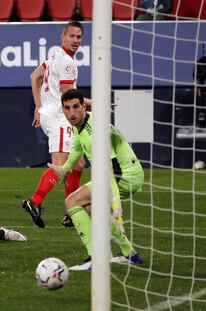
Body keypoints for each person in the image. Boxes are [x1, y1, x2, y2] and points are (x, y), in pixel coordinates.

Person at [48, 89, 144, 266]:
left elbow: (109, 174)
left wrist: (117, 208)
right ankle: (130, 254)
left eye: (76, 106)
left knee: (72, 201)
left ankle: (97, 258)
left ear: (84, 106)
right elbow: (77, 147)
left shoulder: (96, 134)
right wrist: (65, 169)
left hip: (123, 175)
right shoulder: (82, 122)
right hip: (128, 172)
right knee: (92, 208)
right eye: (67, 108)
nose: (72, 112)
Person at [22, 20, 91, 228]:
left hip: (51, 115)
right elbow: (67, 95)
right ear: (63, 36)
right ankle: (34, 202)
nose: (76, 41)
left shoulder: (54, 57)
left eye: (79, 37)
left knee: (78, 164)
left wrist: (39, 107)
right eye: (72, 36)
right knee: (61, 166)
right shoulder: (68, 63)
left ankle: (71, 213)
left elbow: (35, 76)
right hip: (59, 119)